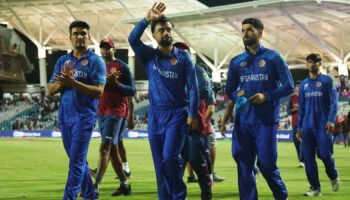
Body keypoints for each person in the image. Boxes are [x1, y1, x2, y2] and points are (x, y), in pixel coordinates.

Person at [128, 2, 199, 199]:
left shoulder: (184, 58)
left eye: (168, 29)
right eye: (161, 30)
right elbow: (132, 39)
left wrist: (192, 114)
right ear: (155, 35)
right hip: (155, 116)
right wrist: (146, 19)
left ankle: (178, 195)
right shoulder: (149, 56)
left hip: (177, 114)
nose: (166, 33)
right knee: (160, 165)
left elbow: (193, 88)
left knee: (170, 158)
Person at [220, 18, 293, 200]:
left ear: (260, 33)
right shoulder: (236, 62)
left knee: (267, 165)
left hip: (265, 121)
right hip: (243, 121)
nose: (245, 33)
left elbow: (289, 86)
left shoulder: (274, 57)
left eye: (250, 30)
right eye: (243, 30)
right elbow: (229, 90)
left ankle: (281, 195)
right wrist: (238, 95)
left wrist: (266, 96)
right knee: (244, 165)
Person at [47, 20, 106, 200]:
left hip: (84, 118)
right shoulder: (63, 60)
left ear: (89, 37)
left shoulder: (96, 61)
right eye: (76, 34)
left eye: (83, 34)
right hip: (65, 118)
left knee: (76, 163)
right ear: (70, 38)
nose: (80, 36)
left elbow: (99, 91)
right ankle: (90, 196)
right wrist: (63, 83)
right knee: (79, 162)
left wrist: (73, 83)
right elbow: (50, 90)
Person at [92, 38, 135, 196]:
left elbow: (132, 90)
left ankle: (95, 186)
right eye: (102, 48)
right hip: (101, 112)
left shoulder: (122, 66)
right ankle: (124, 185)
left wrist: (116, 84)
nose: (105, 50)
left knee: (104, 147)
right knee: (113, 149)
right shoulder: (98, 66)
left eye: (108, 47)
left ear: (114, 49)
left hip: (116, 112)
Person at [173, 42, 213, 199]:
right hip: (175, 125)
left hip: (194, 126)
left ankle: (206, 191)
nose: (181, 55)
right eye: (178, 52)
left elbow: (203, 92)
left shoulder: (198, 71)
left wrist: (194, 115)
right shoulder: (171, 71)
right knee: (176, 164)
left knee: (197, 160)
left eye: (184, 52)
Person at [297, 53, 340, 197]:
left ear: (319, 64)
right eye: (310, 62)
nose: (312, 64)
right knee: (308, 158)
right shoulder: (303, 84)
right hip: (307, 127)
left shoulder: (327, 81)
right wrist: (299, 127)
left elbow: (334, 103)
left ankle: (333, 175)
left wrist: (331, 120)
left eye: (315, 62)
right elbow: (301, 108)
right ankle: (315, 188)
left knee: (325, 155)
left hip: (323, 125)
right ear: (307, 64)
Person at [287, 80, 304, 167]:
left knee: (302, 140)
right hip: (294, 123)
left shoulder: (305, 97)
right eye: (297, 86)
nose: (298, 87)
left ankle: (302, 160)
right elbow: (288, 111)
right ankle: (300, 158)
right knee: (296, 141)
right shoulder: (292, 98)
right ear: (295, 88)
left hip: (304, 122)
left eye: (300, 86)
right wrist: (295, 109)